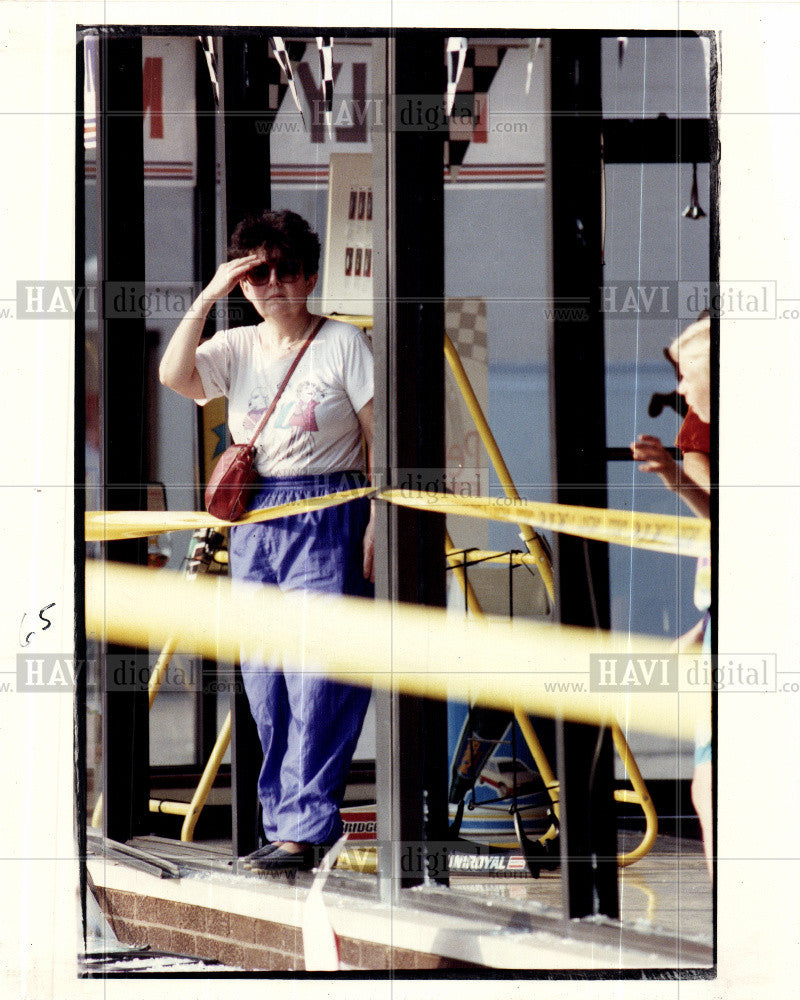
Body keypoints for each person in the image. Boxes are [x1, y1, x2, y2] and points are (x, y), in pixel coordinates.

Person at [160, 209, 375, 871]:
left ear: (310, 276)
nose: (273, 284)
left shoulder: (343, 343)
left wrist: (378, 517)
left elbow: (382, 435)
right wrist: (208, 296)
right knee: (264, 673)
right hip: (257, 515)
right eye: (259, 273)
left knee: (319, 672)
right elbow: (175, 375)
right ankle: (284, 823)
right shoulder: (237, 346)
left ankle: (306, 827)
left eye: (286, 271)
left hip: (329, 504)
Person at [631, 315, 713, 877]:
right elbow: (722, 518)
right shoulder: (697, 432)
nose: (679, 389)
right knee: (708, 786)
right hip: (719, 614)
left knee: (711, 786)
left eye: (688, 375)